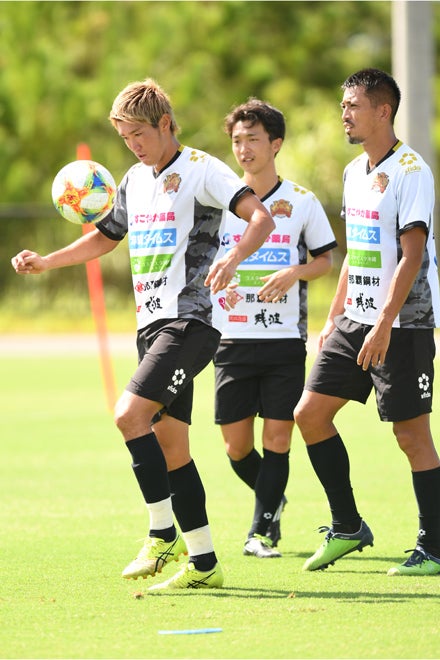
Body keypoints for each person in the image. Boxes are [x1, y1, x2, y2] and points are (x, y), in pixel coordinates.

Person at [11, 78, 275, 590]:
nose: (132, 144)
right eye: (125, 136)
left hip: (190, 323)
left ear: (166, 124)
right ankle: (205, 564)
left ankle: (161, 533)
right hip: (152, 326)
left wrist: (233, 259)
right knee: (172, 447)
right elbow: (106, 238)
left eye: (139, 133)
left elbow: (260, 218)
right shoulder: (133, 179)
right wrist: (47, 261)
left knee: (128, 415)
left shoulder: (202, 169)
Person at [294, 68, 440, 576]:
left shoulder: (412, 170)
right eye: (343, 105)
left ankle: (433, 547)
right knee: (310, 414)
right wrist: (334, 316)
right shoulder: (355, 171)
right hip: (355, 319)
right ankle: (347, 526)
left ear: (383, 111)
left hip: (403, 325)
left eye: (353, 105)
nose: (344, 114)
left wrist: (384, 323)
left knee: (410, 436)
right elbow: (358, 249)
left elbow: (412, 254)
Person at [212, 99, 337, 558]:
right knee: (235, 446)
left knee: (278, 439)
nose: (243, 149)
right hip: (230, 337)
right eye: (237, 140)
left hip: (283, 341)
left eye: (253, 139)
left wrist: (294, 273)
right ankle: (273, 497)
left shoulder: (301, 201)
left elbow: (325, 260)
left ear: (276, 144)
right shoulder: (219, 201)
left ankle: (260, 531)